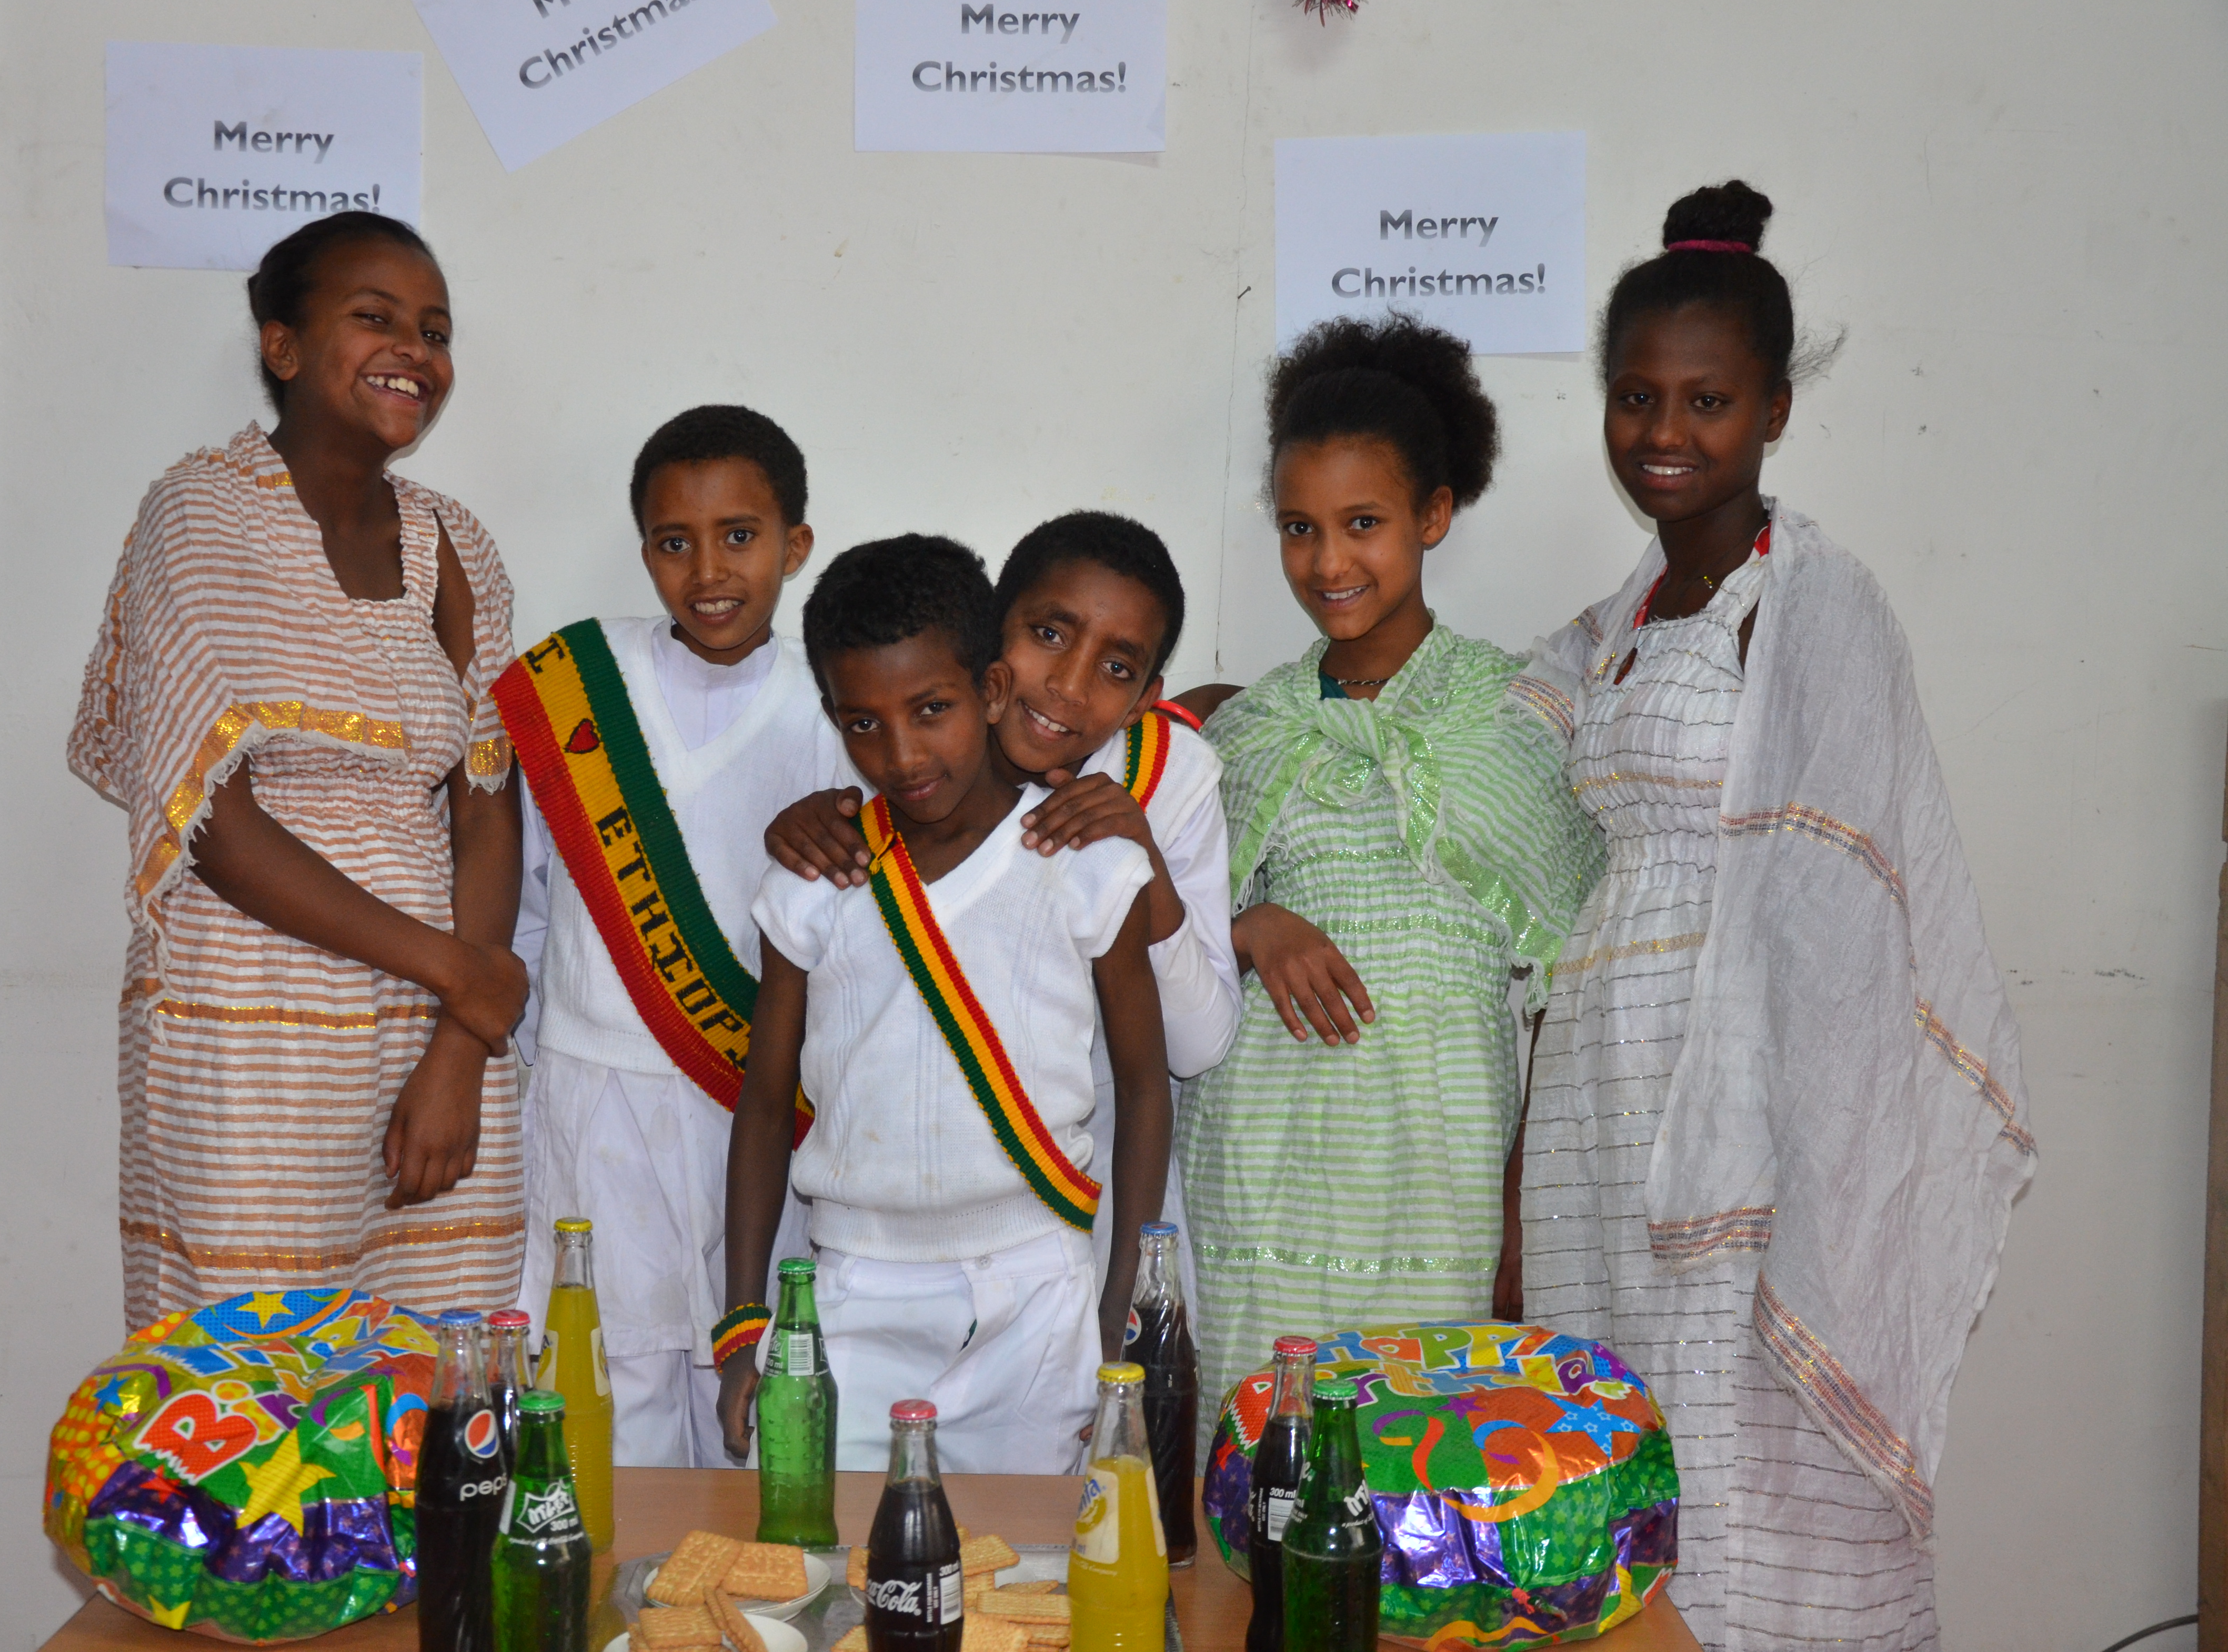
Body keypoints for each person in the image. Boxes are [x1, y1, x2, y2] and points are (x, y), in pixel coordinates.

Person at [1509, 181, 2035, 1650]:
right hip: (1602, 1114)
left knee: (1747, 1484)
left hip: (1746, 1117)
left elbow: (1850, 913)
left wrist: (1812, 1162)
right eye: (1634, 398)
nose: (1664, 435)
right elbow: (1485, 722)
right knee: (1612, 1474)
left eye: (1707, 400)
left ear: (1774, 412)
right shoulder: (1616, 624)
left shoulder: (1815, 606)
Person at [68, 213, 528, 1330]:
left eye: (434, 329)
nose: (414, 351)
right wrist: (461, 975)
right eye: (374, 318)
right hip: (249, 1024)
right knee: (253, 1387)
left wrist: (460, 1044)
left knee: (439, 1381)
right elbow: (209, 821)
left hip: (429, 1031)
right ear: (279, 345)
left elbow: (485, 801)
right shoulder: (201, 509)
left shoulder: (455, 544)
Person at [1164, 315, 1601, 1435]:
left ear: (1433, 517)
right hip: (1251, 1176)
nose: (1327, 563)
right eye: (1300, 528)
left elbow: (1567, 990)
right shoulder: (1244, 729)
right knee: (1254, 1491)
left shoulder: (1518, 719)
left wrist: (1522, 1216)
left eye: (1363, 524)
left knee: (1414, 1500)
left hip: (1438, 1180)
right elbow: (1154, 918)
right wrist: (1248, 920)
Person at [717, 534, 1172, 1473]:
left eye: (932, 710)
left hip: (1037, 1289)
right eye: (864, 724)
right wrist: (742, 1326)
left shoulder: (1089, 865)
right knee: (836, 1583)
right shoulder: (815, 879)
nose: (902, 752)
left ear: (995, 692)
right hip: (850, 1292)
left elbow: (1145, 1085)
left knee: (1039, 1588)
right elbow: (764, 1103)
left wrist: (1117, 1318)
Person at [761, 512, 1239, 1308]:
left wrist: (1144, 861)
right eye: (1048, 635)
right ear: (990, 635)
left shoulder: (1169, 772)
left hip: (1070, 1207)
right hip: (879, 1223)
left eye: (1116, 669)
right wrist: (802, 822)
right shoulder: (913, 730)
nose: (1069, 685)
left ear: (1144, 699)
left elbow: (1196, 1046)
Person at [499, 405, 847, 1467]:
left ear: (795, 545)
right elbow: (530, 908)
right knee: (612, 1404)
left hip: (757, 1115)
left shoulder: (837, 711)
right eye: (672, 541)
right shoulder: (575, 684)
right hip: (593, 1109)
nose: (707, 571)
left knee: (755, 1405)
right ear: (642, 546)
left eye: (739, 536)